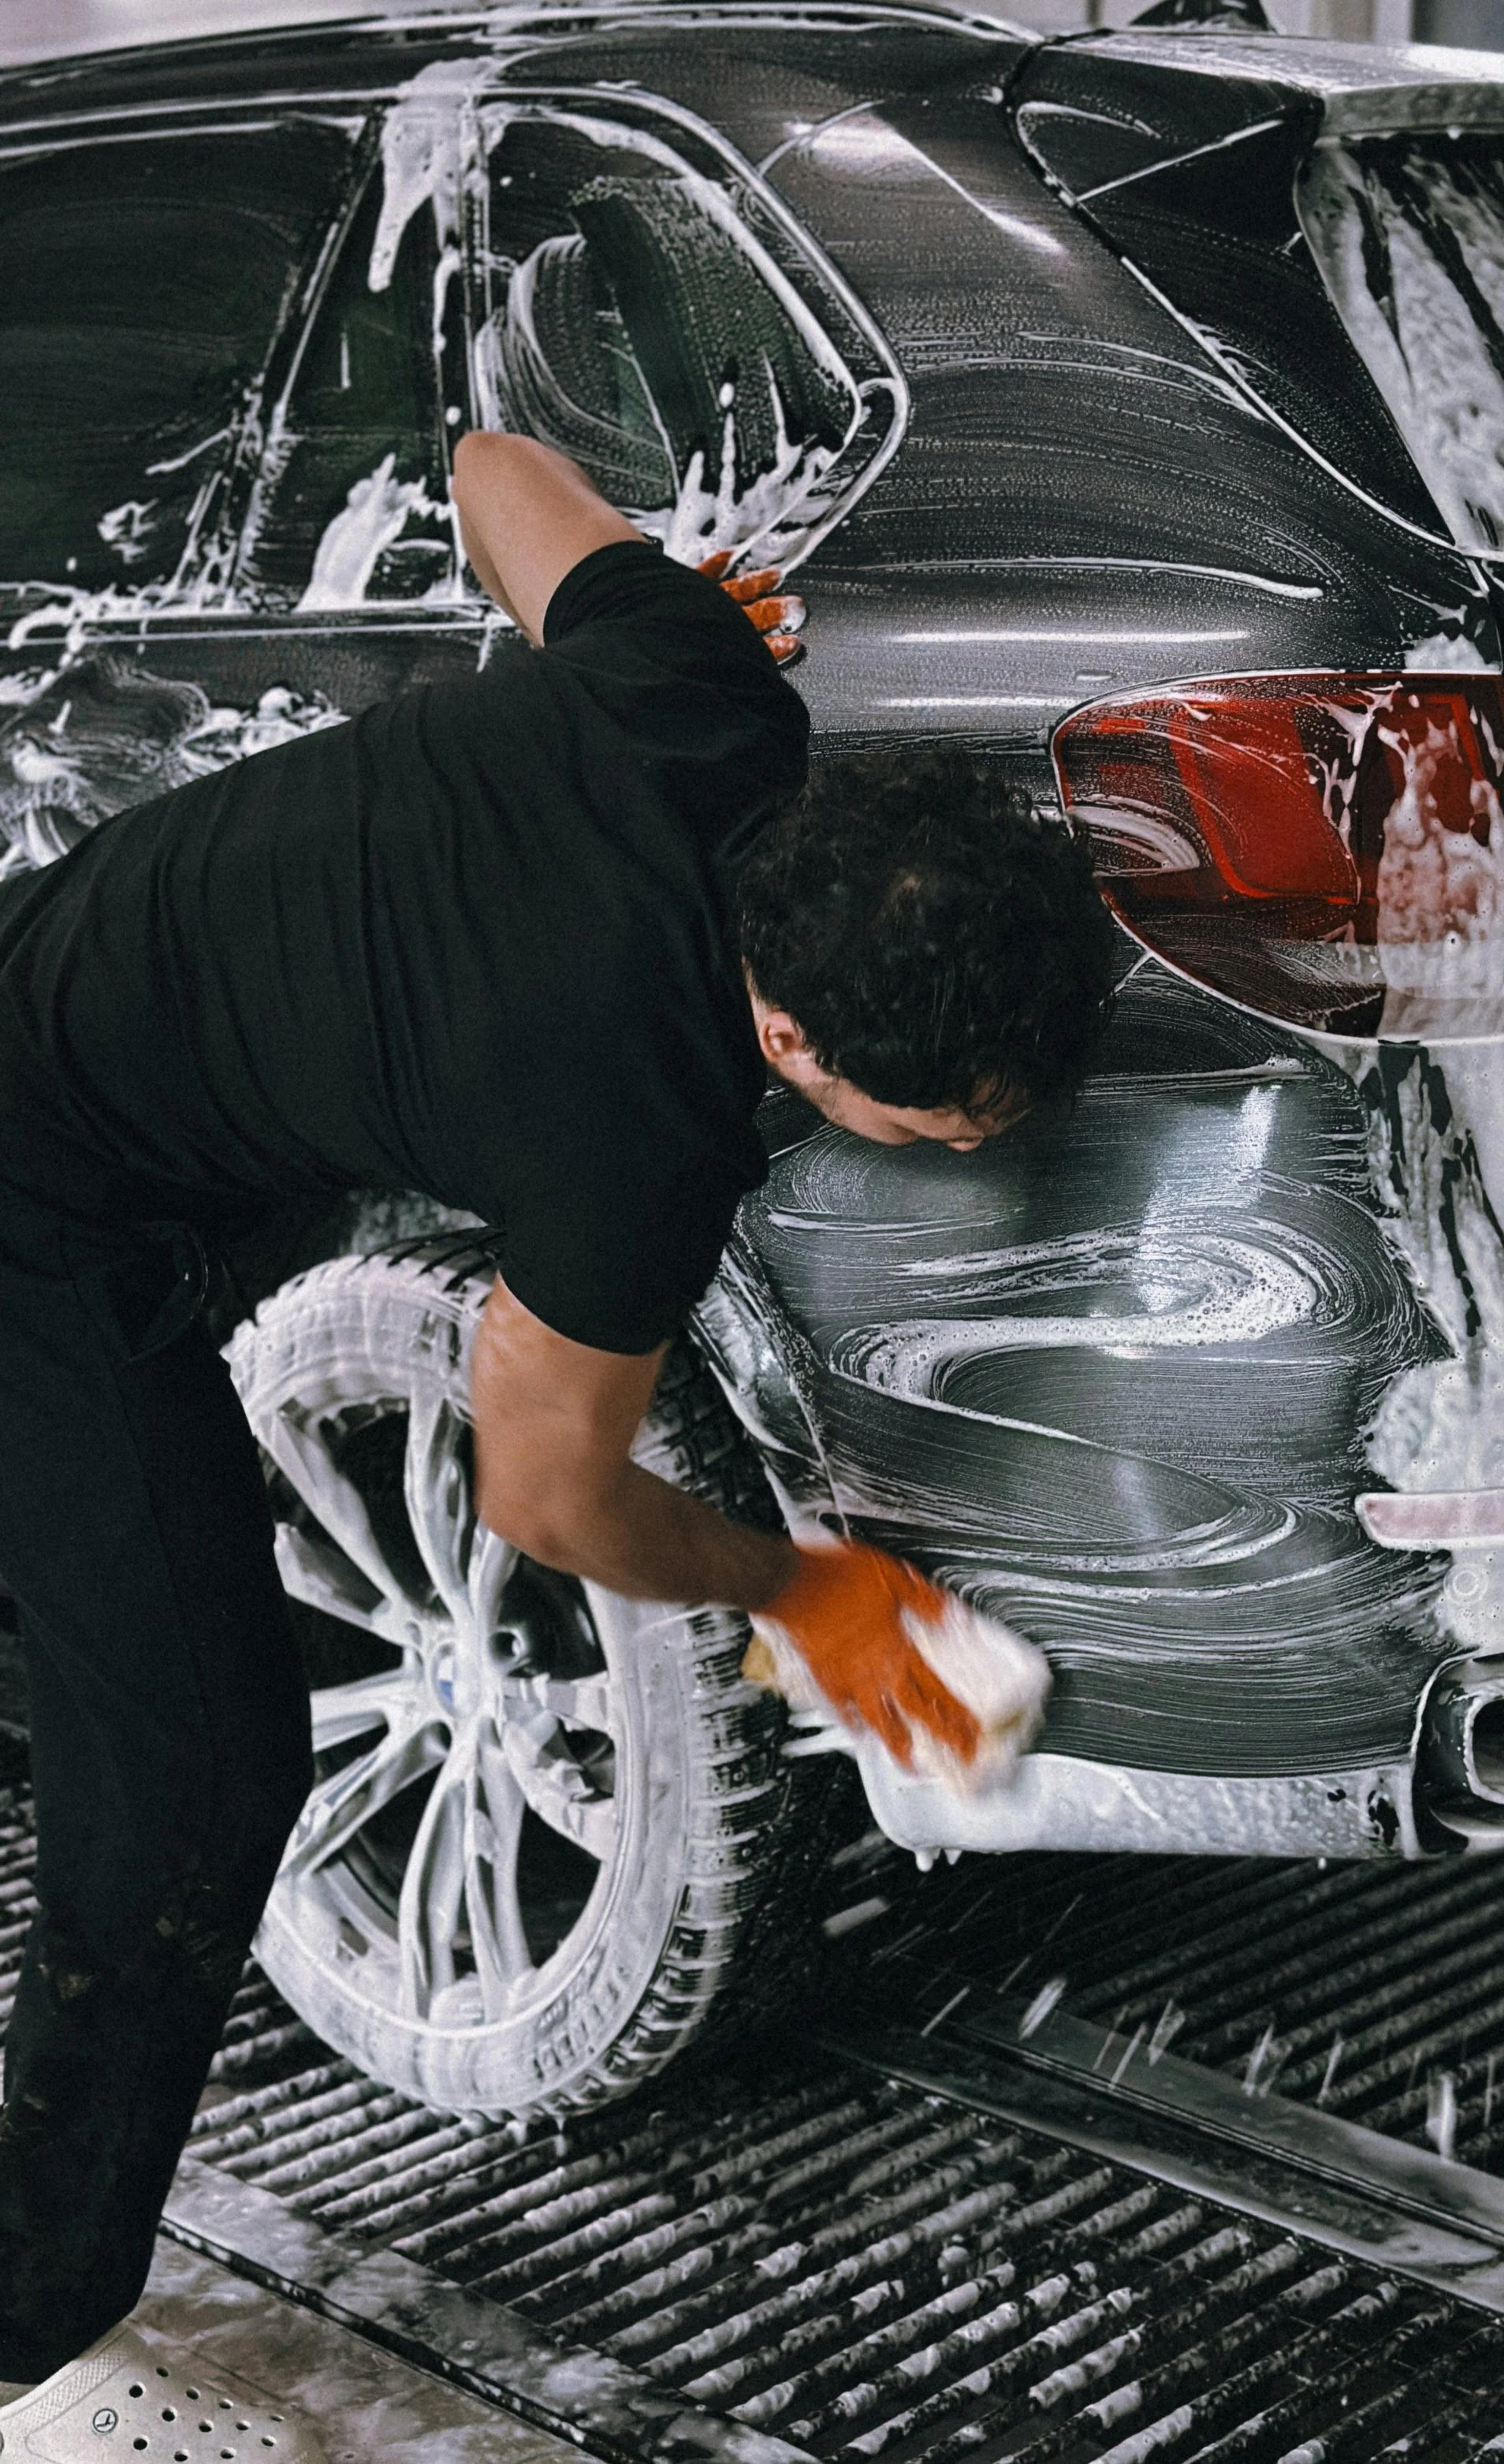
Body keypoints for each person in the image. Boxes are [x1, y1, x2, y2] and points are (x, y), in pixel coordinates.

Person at [0, 431, 1115, 2448]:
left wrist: (653, 571)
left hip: (83, 1002)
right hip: (40, 1217)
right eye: (929, 1127)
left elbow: (491, 462)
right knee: (190, 1768)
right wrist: (810, 1592)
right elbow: (543, 1492)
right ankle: (17, 2297)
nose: (961, 1156)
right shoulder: (629, 1126)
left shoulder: (697, 692)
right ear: (787, 1040)